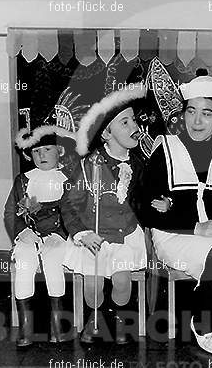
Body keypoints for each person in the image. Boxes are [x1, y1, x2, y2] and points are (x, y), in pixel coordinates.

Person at [142, 69, 212, 354]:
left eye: (206, 113)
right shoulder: (165, 150)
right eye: (191, 111)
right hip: (173, 235)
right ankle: (202, 321)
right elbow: (145, 209)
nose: (197, 120)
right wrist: (196, 226)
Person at [63, 86, 148, 344]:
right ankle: (95, 315)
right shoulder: (89, 166)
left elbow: (144, 200)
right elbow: (68, 204)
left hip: (125, 235)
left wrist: (160, 204)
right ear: (106, 134)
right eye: (125, 122)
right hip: (94, 236)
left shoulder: (140, 164)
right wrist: (82, 233)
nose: (134, 126)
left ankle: (118, 317)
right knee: (93, 284)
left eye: (133, 120)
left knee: (123, 280)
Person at [4, 125, 76, 347]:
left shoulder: (68, 179)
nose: (42, 155)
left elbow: (75, 212)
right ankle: (26, 330)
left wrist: (63, 234)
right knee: (25, 261)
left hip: (59, 235)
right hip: (29, 235)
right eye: (36, 151)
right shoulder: (23, 180)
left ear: (59, 151)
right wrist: (22, 231)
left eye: (47, 149)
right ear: (29, 154)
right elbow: (10, 212)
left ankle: (57, 327)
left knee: (54, 260)